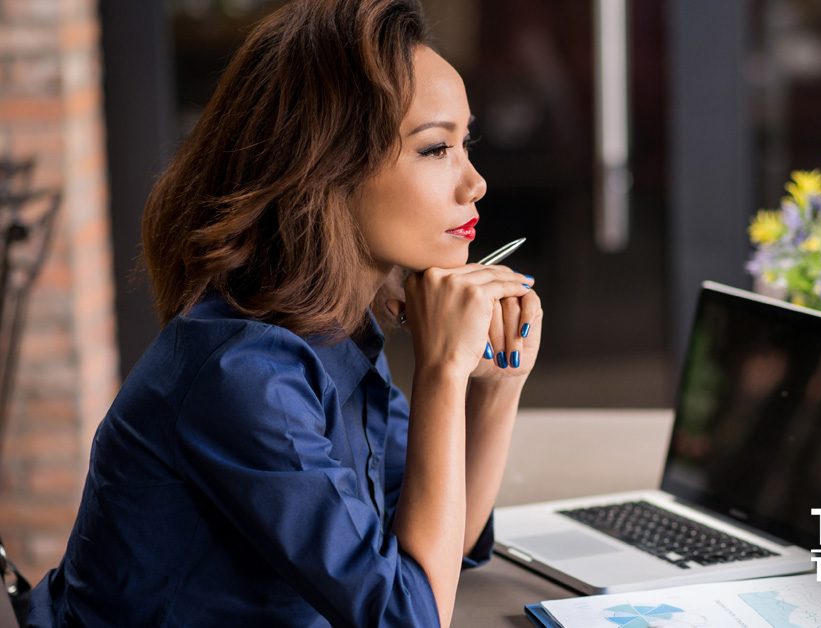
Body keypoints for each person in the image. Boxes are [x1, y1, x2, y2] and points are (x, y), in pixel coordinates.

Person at [26, 1, 540, 626]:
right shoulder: (245, 373)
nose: (475, 182)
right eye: (436, 150)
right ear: (328, 166)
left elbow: (436, 545)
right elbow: (409, 615)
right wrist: (441, 371)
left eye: (466, 143)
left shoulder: (336, 329)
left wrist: (500, 385)